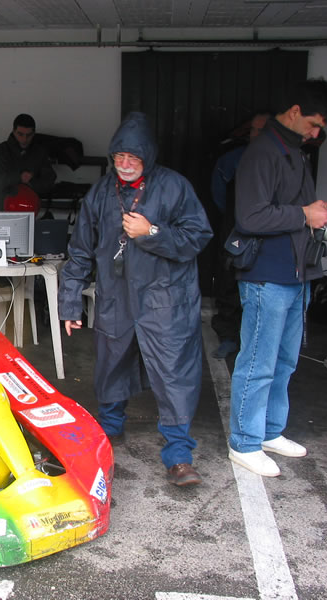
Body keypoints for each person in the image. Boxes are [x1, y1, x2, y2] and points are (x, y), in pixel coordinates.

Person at [58, 112, 213, 487]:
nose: (125, 165)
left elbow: (199, 236)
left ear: (148, 158)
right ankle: (110, 429)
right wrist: (69, 303)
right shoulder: (100, 193)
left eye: (134, 159)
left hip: (165, 297)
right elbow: (80, 250)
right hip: (116, 295)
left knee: (174, 372)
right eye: (118, 158)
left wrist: (152, 231)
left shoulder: (174, 187)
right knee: (111, 362)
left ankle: (178, 455)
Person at [228, 79, 327, 477]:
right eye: (313, 124)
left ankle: (269, 431)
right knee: (258, 361)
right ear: (294, 111)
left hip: (298, 273)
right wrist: (302, 215)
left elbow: (300, 206)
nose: (316, 134)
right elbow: (251, 216)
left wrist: (323, 207)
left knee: (284, 360)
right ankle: (244, 442)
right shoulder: (262, 152)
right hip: (267, 275)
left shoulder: (296, 151)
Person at [210, 113, 270, 358]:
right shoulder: (233, 160)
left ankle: (254, 343)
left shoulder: (285, 161)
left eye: (262, 130)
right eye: (254, 130)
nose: (256, 135)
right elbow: (218, 195)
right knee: (229, 283)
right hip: (236, 229)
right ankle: (228, 337)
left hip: (268, 235)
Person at [0, 113, 56, 212]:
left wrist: (32, 181)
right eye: (20, 134)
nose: (24, 139)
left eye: (28, 135)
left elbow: (49, 180)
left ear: (34, 133)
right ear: (13, 131)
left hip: (29, 211)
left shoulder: (40, 153)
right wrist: (19, 178)